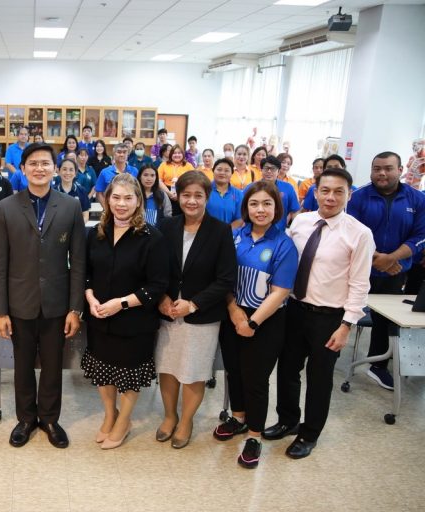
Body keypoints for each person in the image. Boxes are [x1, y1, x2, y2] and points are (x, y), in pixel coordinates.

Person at [262, 168, 374, 460]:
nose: (331, 197)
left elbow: (360, 284)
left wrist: (347, 325)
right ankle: (287, 420)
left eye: (339, 192)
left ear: (349, 195)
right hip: (294, 310)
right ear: (315, 192)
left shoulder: (359, 234)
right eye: (325, 190)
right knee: (287, 370)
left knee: (319, 378)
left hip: (330, 317)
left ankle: (309, 433)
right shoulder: (301, 221)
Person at [0, 142, 86, 449]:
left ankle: (49, 418)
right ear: (22, 168)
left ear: (55, 169)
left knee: (53, 365)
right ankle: (25, 418)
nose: (39, 168)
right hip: (19, 302)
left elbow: (78, 262)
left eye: (45, 163)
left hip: (57, 303)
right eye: (33, 163)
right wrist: (0, 311)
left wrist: (75, 308)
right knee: (21, 365)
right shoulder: (6, 207)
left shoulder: (70, 206)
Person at [214, 180, 298, 469]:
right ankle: (238, 418)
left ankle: (254, 435)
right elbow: (223, 278)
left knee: (256, 379)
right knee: (234, 370)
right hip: (232, 313)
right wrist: (234, 310)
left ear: (277, 208)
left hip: (266, 320)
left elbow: (281, 291)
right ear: (245, 207)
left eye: (267, 204)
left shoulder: (284, 244)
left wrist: (251, 322)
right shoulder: (234, 236)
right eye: (254, 204)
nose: (260, 209)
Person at [83, 174, 169, 449]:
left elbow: (157, 285)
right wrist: (90, 298)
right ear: (107, 199)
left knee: (129, 374)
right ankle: (110, 414)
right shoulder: (95, 233)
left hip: (135, 321)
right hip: (99, 317)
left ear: (138, 201)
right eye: (116, 197)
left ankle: (124, 420)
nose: (121, 204)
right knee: (102, 369)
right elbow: (85, 274)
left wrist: (120, 303)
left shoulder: (152, 237)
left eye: (128, 198)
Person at [155, 172, 237, 449]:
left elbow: (225, 279)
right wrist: (162, 297)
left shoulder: (220, 231)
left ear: (207, 198)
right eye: (186, 195)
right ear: (178, 196)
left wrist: (193, 304)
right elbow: (154, 268)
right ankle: (170, 416)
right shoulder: (166, 226)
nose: (192, 201)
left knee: (193, 370)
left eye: (198, 196)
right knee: (167, 367)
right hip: (168, 310)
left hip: (202, 314)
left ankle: (186, 421)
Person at [346, 151, 425, 390]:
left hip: (395, 271)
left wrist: (391, 258)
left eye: (388, 168)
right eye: (377, 168)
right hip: (358, 269)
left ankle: (377, 365)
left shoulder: (417, 199)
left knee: (385, 321)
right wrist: (376, 259)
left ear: (400, 170)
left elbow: (420, 236)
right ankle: (327, 355)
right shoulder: (358, 197)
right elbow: (350, 233)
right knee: (342, 312)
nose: (382, 173)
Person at [245, 155, 300, 231]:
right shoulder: (250, 188)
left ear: (278, 171)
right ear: (261, 170)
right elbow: (242, 210)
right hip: (253, 231)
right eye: (266, 168)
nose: (269, 171)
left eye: (273, 169)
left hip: (278, 233)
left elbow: (295, 212)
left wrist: (295, 231)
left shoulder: (288, 188)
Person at [206, 158, 244, 228]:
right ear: (213, 171)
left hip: (229, 232)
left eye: (227, 170)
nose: (222, 173)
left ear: (231, 174)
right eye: (219, 169)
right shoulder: (205, 190)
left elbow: (239, 219)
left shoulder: (238, 194)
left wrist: (225, 231)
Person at [158, 144, 195, 213]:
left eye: (179, 153)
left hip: (184, 193)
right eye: (174, 153)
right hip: (166, 193)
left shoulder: (189, 166)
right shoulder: (163, 165)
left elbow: (193, 181)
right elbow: (159, 180)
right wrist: (169, 193)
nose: (177, 155)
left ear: (183, 154)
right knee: (167, 215)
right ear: (171, 154)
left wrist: (180, 194)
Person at [53, 158, 91, 222]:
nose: (67, 173)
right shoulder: (52, 191)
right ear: (59, 171)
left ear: (75, 173)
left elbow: (85, 215)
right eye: (64, 169)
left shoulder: (82, 191)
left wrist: (77, 227)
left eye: (71, 170)